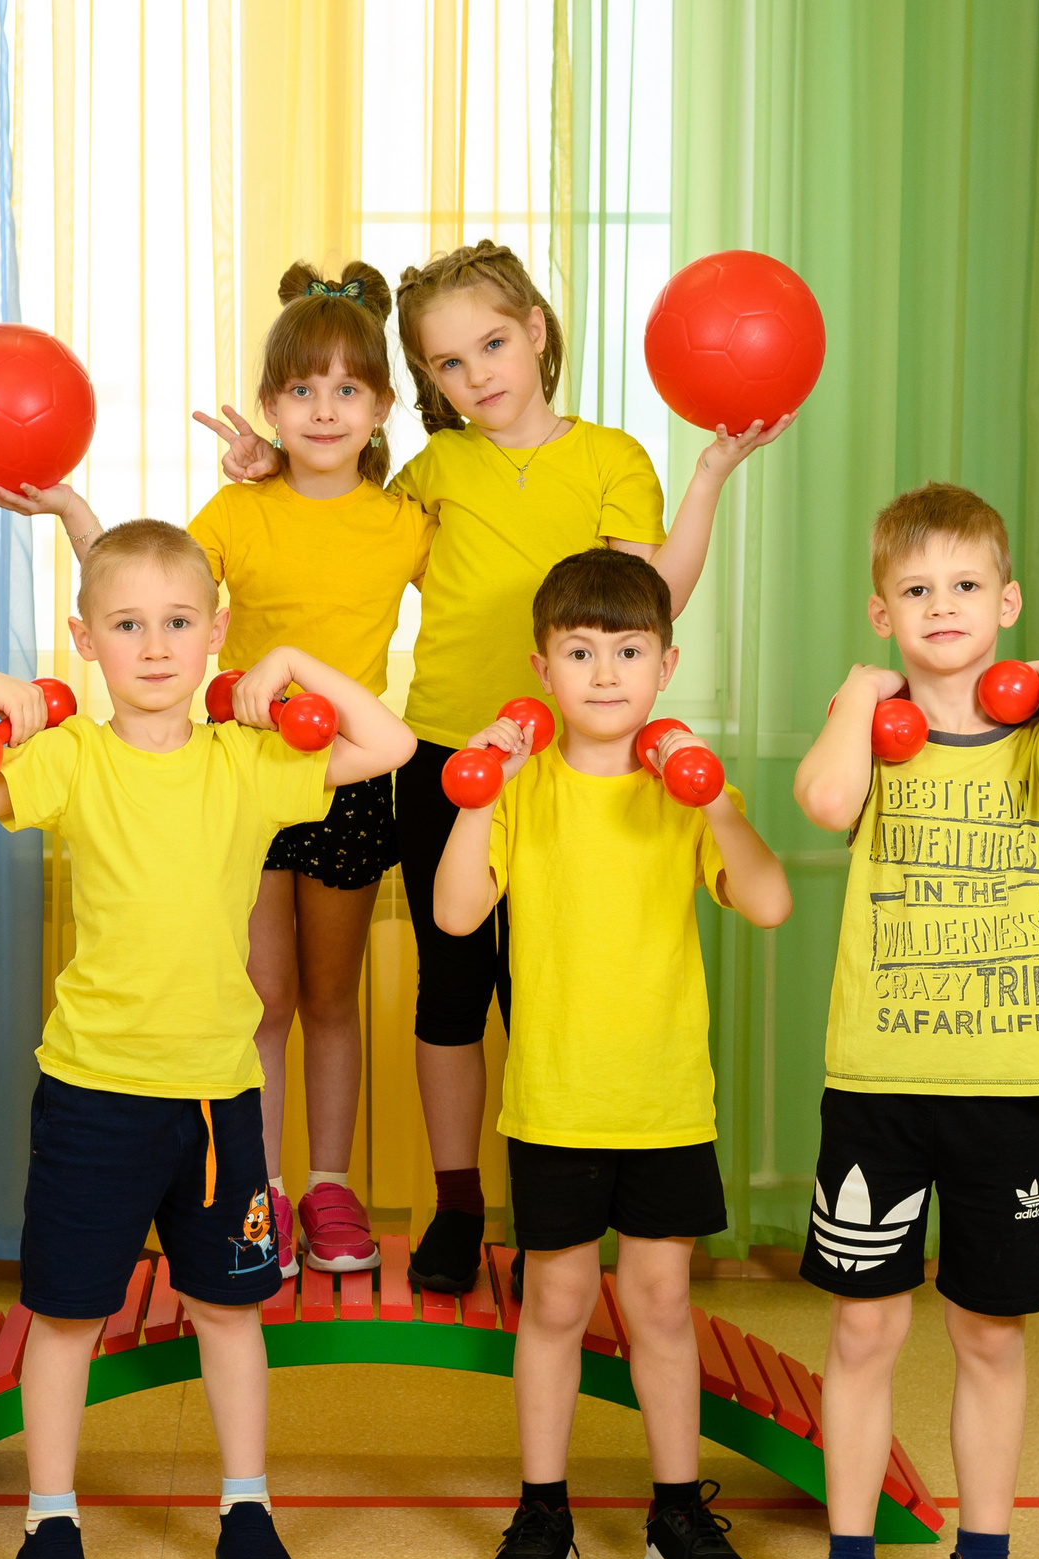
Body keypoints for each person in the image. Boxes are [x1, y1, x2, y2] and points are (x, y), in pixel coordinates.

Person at [214, 240, 795, 1295]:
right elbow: (337, 502)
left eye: (491, 344)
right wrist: (269, 467)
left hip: (570, 765)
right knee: (451, 985)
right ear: (425, 385)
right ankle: (455, 1202)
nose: (477, 373)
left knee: (545, 991)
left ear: (534, 330)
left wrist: (708, 474)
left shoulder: (613, 457)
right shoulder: (434, 473)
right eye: (447, 363)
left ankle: (547, 1220)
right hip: (447, 754)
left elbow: (648, 593)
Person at [0, 519, 416, 1559]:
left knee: (229, 1311)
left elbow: (392, 744)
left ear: (213, 632)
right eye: (127, 625)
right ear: (86, 639)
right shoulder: (72, 758)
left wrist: (289, 666)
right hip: (92, 1092)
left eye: (180, 623)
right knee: (68, 1315)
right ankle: (50, 1517)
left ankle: (245, 1502)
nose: (157, 645)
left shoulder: (248, 760)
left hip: (219, 1100)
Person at [0, 261, 429, 1281]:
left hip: (346, 775)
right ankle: (259, 1185)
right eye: (301, 390)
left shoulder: (408, 520)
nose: (324, 409)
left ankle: (330, 1184)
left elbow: (488, 592)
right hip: (240, 773)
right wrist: (73, 514)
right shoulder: (235, 512)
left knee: (331, 995)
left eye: (347, 389)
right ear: (271, 405)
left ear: (380, 407)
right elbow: (145, 593)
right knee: (259, 993)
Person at [768, 484, 1039, 1559]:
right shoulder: (867, 727)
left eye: (968, 586)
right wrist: (862, 694)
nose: (943, 606)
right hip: (880, 1083)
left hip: (1007, 1087)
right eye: (915, 591)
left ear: (1005, 601)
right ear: (882, 610)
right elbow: (820, 803)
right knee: (864, 1329)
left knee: (988, 1335)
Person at [430, 549, 791, 1559]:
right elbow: (456, 913)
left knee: (662, 1300)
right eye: (579, 652)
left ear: (664, 664)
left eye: (627, 651)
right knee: (554, 1298)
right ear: (542, 666)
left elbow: (765, 902)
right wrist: (474, 788)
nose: (602, 673)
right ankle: (543, 1508)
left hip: (665, 1100)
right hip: (556, 1100)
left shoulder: (679, 790)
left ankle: (675, 1510)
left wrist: (718, 801)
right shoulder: (525, 790)